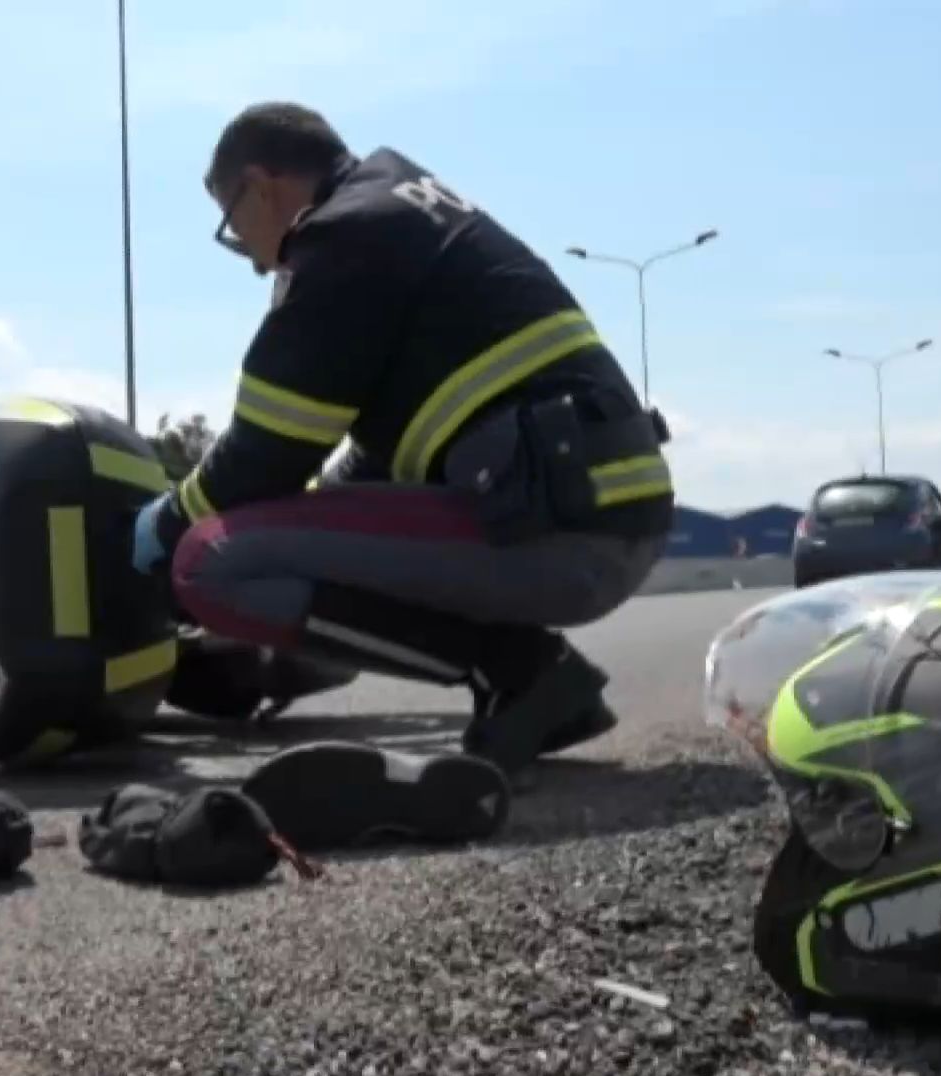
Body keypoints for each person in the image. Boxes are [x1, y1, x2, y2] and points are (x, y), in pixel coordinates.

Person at [129, 102, 676, 776]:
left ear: (260, 186)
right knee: (292, 542)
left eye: (234, 229)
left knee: (211, 561)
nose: (249, 260)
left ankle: (527, 673)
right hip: (597, 508)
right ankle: (291, 667)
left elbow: (262, 456)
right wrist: (275, 635)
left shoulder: (340, 239)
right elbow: (365, 472)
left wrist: (166, 524)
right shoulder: (403, 204)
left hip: (560, 528)